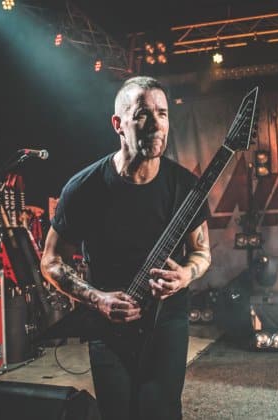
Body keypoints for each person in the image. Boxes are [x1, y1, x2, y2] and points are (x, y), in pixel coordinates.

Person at [41, 76, 211, 420]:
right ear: (118, 124)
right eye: (143, 114)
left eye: (162, 113)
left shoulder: (185, 186)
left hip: (167, 321)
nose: (156, 124)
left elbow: (202, 252)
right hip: (109, 325)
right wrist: (98, 299)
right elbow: (51, 261)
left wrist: (184, 275)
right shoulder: (84, 188)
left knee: (161, 412)